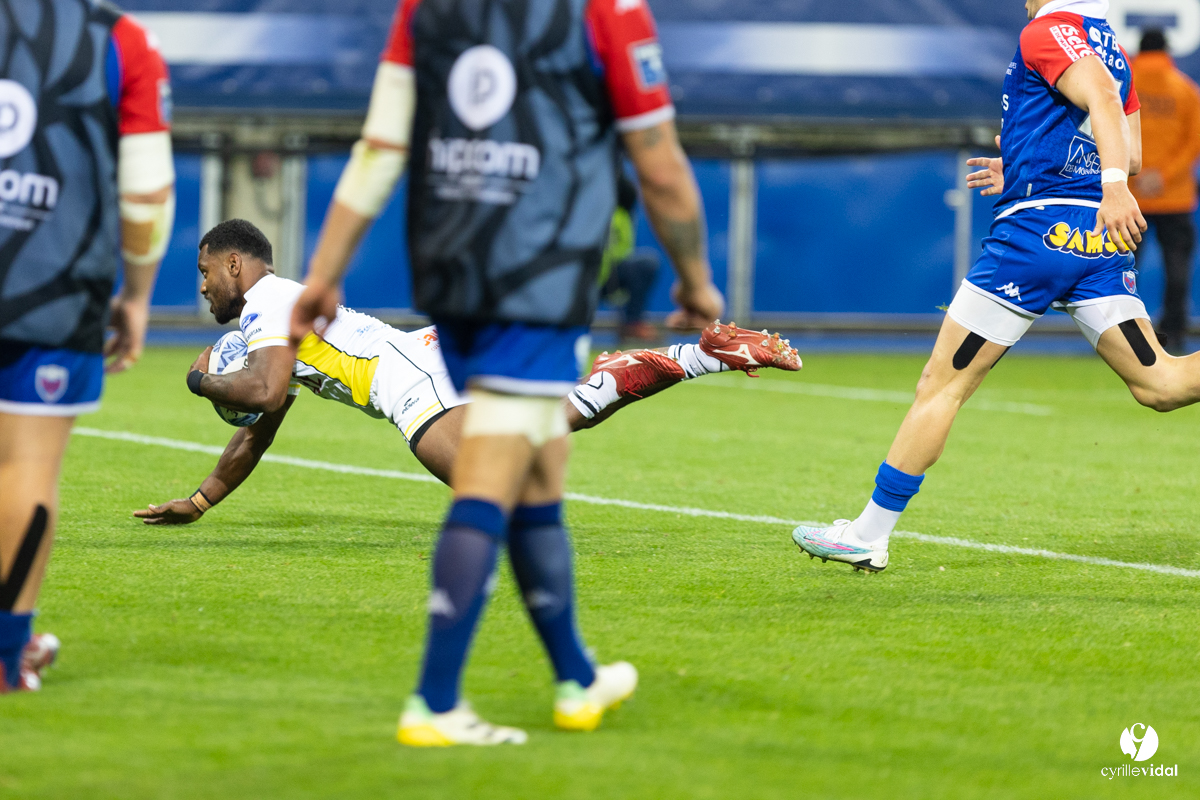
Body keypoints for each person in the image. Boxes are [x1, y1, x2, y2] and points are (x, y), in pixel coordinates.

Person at [289, 0, 735, 746]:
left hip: (452, 274)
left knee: (539, 471)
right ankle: (435, 702)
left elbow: (379, 148)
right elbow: (657, 161)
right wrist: (696, 279)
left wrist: (324, 272)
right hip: (537, 281)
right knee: (493, 475)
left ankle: (577, 679)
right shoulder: (608, 13)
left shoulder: (422, 9)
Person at [790, 0, 1200, 574]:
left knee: (942, 385)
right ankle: (866, 531)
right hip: (1094, 244)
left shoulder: (1048, 29)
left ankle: (868, 533)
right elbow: (1130, 152)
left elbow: (1106, 118)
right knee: (1160, 382)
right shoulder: (1110, 45)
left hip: (1036, 240)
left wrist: (1108, 188)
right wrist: (1034, 164)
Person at [138, 220, 799, 522]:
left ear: (233, 264)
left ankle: (643, 364)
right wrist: (200, 502)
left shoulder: (266, 303)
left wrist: (199, 381)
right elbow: (262, 423)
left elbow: (262, 391)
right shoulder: (279, 312)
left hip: (410, 383)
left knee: (498, 495)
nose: (202, 287)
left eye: (203, 272)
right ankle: (694, 355)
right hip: (423, 354)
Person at [0, 1, 175, 693]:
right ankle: (7, 651)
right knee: (26, 468)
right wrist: (135, 294)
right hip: (53, 286)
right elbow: (145, 195)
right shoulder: (123, 42)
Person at [1129, 28, 1200, 354]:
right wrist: (1165, 175)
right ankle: (1173, 335)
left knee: (1121, 271)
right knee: (1177, 270)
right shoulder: (1186, 90)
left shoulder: (1123, 86)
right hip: (1175, 196)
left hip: (1129, 195)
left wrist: (1140, 173)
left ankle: (1122, 335)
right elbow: (1194, 142)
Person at [600, 172, 662, 344]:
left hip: (603, 277)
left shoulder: (623, 217)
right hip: (585, 277)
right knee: (646, 264)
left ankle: (631, 323)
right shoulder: (603, 213)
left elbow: (621, 255)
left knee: (644, 264)